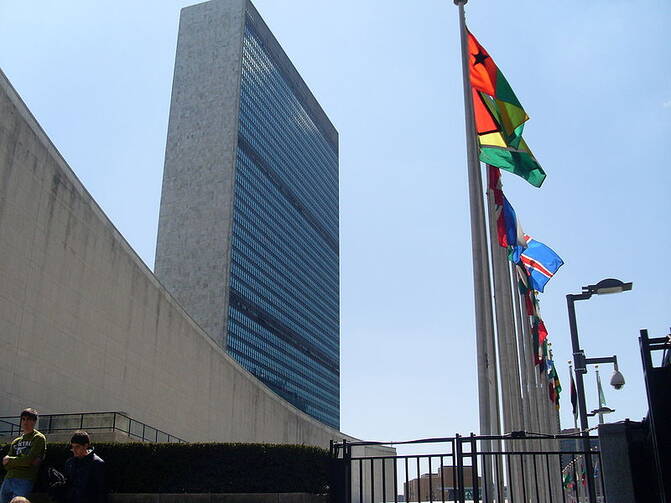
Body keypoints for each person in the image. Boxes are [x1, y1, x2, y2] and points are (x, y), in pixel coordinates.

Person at [0, 408, 46, 503]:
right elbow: (6, 464)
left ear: (34, 421)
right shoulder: (16, 441)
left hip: (25, 479)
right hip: (8, 478)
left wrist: (11, 460)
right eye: (23, 419)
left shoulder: (38, 438)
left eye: (29, 419)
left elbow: (29, 460)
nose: (25, 422)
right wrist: (20, 460)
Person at [63, 431, 106, 503]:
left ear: (86, 446)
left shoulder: (97, 463)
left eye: (77, 447)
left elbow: (101, 491)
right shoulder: (69, 463)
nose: (74, 450)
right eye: (73, 447)